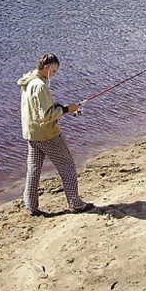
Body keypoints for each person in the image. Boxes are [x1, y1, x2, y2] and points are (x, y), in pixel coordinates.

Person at [18, 53, 92, 216]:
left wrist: (59, 107)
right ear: (46, 68)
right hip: (47, 134)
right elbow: (46, 116)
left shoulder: (29, 80)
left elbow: (37, 109)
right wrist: (67, 109)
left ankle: (31, 205)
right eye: (54, 71)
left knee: (34, 169)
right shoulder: (40, 86)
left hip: (31, 133)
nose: (54, 74)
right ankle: (76, 203)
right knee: (67, 166)